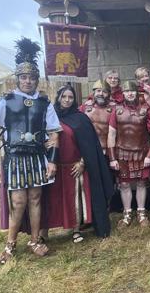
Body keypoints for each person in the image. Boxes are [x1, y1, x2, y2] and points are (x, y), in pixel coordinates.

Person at [0, 38, 61, 264]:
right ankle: (10, 245)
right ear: (17, 79)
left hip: (37, 157)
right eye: (24, 77)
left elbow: (54, 134)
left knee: (36, 198)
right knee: (18, 202)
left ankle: (35, 241)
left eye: (32, 77)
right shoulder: (5, 102)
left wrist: (52, 161)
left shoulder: (45, 104)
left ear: (37, 80)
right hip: (15, 158)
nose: (28, 81)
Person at [45, 85, 114, 241]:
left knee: (75, 198)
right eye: (64, 97)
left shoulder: (81, 118)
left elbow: (90, 146)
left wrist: (83, 162)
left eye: (70, 97)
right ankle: (43, 234)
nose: (67, 100)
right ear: (58, 98)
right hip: (54, 166)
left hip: (74, 166)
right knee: (51, 199)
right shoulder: (50, 116)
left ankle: (77, 229)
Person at [108, 81, 150, 227]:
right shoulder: (117, 110)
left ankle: (141, 212)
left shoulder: (146, 109)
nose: (130, 94)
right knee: (124, 184)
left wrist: (149, 155)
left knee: (141, 182)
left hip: (141, 152)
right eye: (127, 91)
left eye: (132, 91)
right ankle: (127, 213)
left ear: (137, 93)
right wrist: (112, 158)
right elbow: (111, 134)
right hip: (122, 153)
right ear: (123, 94)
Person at [79, 80, 116, 154]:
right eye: (98, 91)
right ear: (94, 93)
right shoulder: (84, 108)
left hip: (108, 152)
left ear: (109, 94)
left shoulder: (114, 108)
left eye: (104, 92)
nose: (101, 94)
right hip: (89, 149)